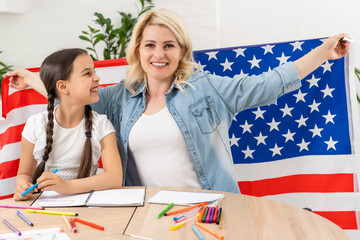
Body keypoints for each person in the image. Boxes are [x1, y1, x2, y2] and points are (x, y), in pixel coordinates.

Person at [9, 9, 350, 194]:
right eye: (150, 45)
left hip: (210, 205)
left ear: (182, 51)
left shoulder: (206, 89)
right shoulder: (120, 97)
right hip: (146, 212)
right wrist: (33, 79)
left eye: (169, 45)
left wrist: (323, 52)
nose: (159, 54)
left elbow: (269, 84)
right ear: (138, 50)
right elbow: (73, 94)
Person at [13, 48, 123, 201]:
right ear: (63, 87)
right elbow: (24, 174)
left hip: (86, 205)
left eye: (94, 72)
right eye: (87, 74)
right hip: (43, 206)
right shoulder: (35, 124)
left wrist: (66, 187)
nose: (97, 78)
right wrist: (22, 185)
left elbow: (115, 177)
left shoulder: (102, 124)